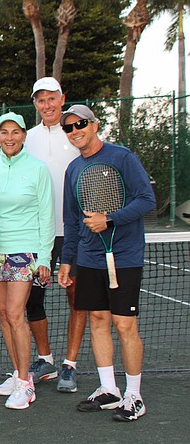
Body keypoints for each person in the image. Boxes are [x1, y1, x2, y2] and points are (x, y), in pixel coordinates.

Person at [58, 105, 155, 422]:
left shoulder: (122, 158)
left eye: (80, 124)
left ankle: (134, 395)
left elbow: (146, 200)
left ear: (95, 125)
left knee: (124, 325)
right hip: (89, 259)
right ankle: (109, 389)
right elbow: (72, 221)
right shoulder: (73, 170)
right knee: (97, 320)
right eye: (69, 128)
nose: (75, 131)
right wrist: (67, 261)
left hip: (124, 256)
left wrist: (109, 219)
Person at [0, 113, 54, 409]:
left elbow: (47, 215)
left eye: (15, 132)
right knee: (3, 314)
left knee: (16, 314)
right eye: (4, 132)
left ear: (24, 136)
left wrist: (45, 258)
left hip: (25, 253)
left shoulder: (38, 170)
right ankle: (18, 373)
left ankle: (26, 384)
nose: (10, 137)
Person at [24, 77, 86, 392]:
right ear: (35, 104)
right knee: (33, 300)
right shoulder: (27, 139)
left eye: (52, 99)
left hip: (74, 234)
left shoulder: (76, 135)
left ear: (62, 100)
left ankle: (70, 366)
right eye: (41, 100)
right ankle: (45, 359)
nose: (47, 105)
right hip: (37, 236)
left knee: (77, 297)